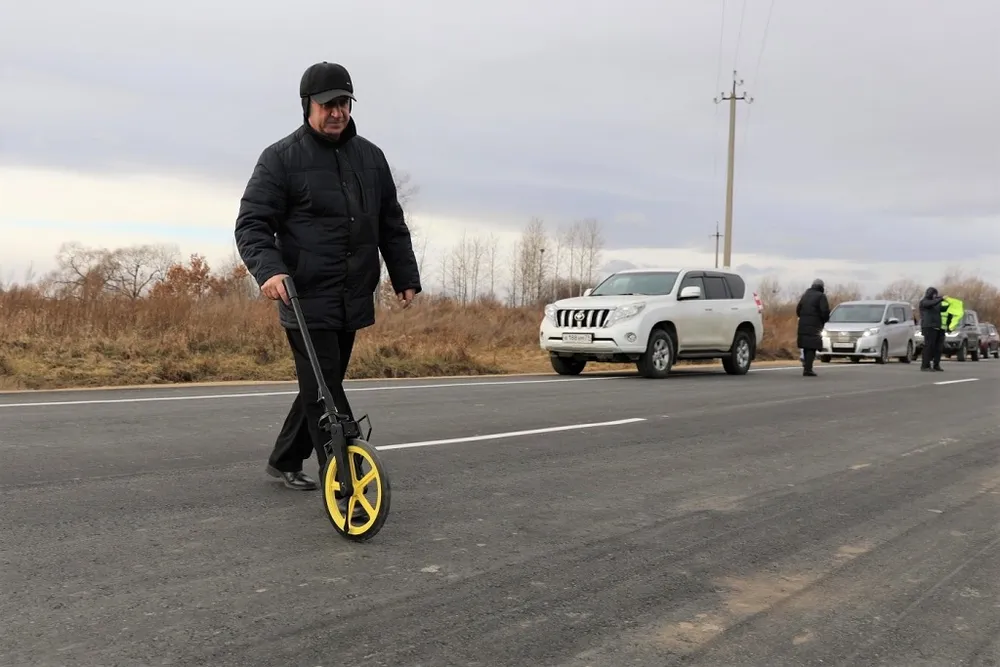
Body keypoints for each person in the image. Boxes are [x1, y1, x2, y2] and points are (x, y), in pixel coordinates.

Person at [234, 61, 421, 493]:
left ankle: (283, 459)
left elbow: (390, 222)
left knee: (323, 381)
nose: (337, 112)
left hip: (352, 294)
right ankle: (346, 480)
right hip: (302, 295)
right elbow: (252, 224)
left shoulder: (371, 159)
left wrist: (404, 274)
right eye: (327, 105)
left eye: (343, 103)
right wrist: (269, 269)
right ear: (307, 106)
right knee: (326, 392)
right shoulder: (280, 158)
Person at [795, 278, 831, 377]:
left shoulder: (805, 295)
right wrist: (824, 320)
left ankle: (806, 366)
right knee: (812, 347)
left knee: (806, 347)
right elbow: (824, 311)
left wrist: (803, 317)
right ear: (821, 287)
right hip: (815, 325)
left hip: (803, 324)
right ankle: (808, 369)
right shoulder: (821, 296)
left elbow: (798, 310)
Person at [918, 287, 948, 372]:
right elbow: (930, 304)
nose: (935, 296)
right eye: (934, 294)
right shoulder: (924, 302)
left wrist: (949, 304)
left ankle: (936, 364)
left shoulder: (936, 303)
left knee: (938, 347)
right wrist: (941, 299)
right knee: (929, 346)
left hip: (938, 327)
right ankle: (925, 365)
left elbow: (942, 309)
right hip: (928, 327)